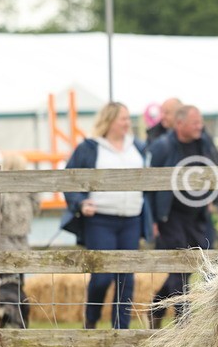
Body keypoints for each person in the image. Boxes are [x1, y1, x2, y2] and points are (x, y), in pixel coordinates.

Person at [60, 102, 152, 329]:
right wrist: (79, 203)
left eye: (128, 118)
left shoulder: (138, 147)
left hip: (131, 219)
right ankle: (91, 320)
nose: (127, 123)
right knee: (101, 276)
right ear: (109, 120)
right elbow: (68, 179)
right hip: (100, 220)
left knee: (126, 277)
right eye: (123, 118)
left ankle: (120, 330)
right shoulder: (90, 148)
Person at [148, 104, 218, 327]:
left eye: (200, 122)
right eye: (195, 123)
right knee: (179, 265)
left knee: (193, 266)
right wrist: (152, 220)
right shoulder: (163, 146)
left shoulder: (204, 142)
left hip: (197, 214)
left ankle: (156, 306)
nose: (200, 126)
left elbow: (216, 169)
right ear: (180, 125)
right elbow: (148, 182)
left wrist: (212, 199)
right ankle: (183, 321)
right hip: (170, 215)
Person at [0, 153, 42, 327]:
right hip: (17, 241)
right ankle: (13, 315)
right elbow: (37, 208)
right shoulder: (26, 190)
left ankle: (7, 313)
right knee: (14, 281)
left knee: (7, 281)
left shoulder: (2, 190)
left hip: (7, 239)